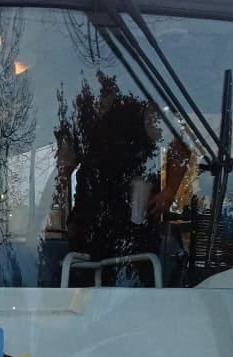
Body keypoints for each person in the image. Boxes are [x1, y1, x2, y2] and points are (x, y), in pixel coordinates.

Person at [52, 72, 192, 285]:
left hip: (135, 227)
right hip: (90, 226)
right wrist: (65, 214)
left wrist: (169, 192)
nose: (98, 93)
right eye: (92, 88)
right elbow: (64, 166)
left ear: (115, 88)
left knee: (137, 287)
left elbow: (179, 150)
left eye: (104, 87)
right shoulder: (79, 119)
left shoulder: (140, 111)